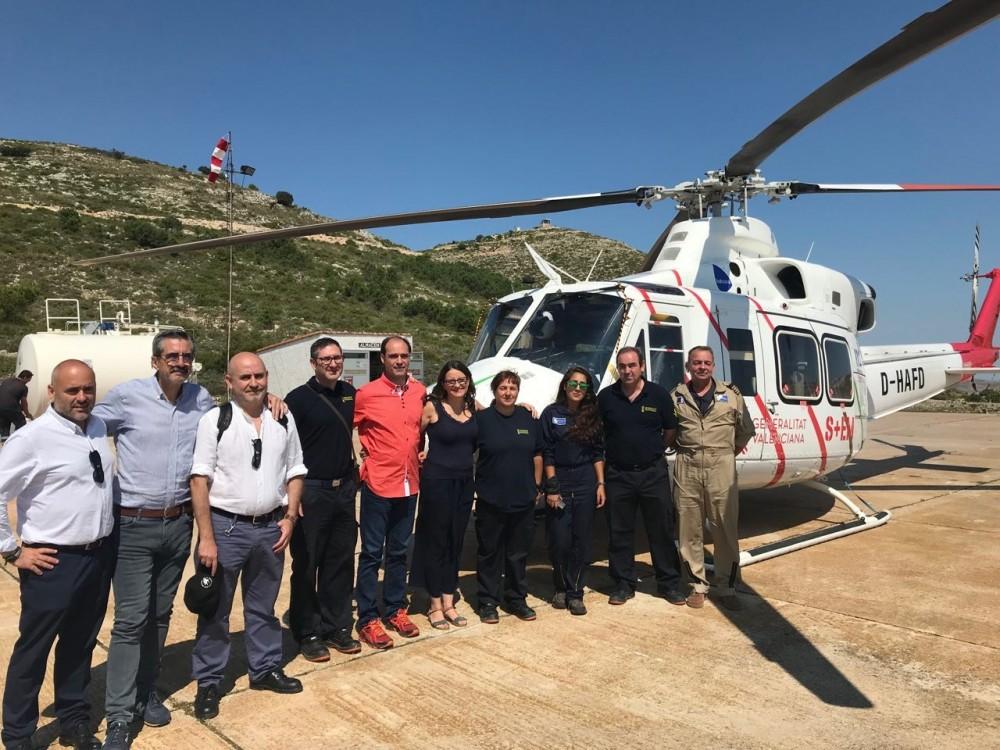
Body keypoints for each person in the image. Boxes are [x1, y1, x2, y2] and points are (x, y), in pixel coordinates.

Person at [94, 330, 213, 748]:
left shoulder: (201, 399)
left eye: (186, 356)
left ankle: (146, 692)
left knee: (160, 615)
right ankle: (119, 715)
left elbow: (230, 424)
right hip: (133, 525)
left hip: (179, 524)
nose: (180, 362)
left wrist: (269, 400)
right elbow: (84, 424)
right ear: (155, 361)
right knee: (130, 621)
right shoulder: (127, 397)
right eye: (172, 356)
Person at [0, 360, 114, 750]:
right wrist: (12, 550)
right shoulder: (32, 438)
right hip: (52, 562)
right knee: (34, 650)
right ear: (52, 392)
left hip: (96, 558)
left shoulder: (97, 427)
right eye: (72, 390)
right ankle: (18, 735)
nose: (82, 397)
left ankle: (74, 722)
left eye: (88, 389)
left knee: (80, 646)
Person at [189, 353, 306, 720]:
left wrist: (290, 517)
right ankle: (209, 681)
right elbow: (199, 480)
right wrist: (206, 538)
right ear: (229, 382)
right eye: (245, 377)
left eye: (258, 376)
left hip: (270, 528)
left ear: (267, 376)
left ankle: (265, 668)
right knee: (215, 610)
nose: (253, 383)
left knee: (263, 607)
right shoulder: (215, 421)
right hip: (226, 529)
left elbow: (296, 470)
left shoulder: (282, 418)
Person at [284, 337, 361, 662]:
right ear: (313, 363)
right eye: (326, 359)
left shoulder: (350, 393)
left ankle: (337, 626)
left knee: (341, 562)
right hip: (311, 491)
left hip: (344, 490)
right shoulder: (297, 399)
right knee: (307, 564)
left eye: (337, 358)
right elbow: (283, 448)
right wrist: (291, 496)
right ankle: (308, 632)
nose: (333, 363)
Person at [598, 347, 686, 606]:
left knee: (661, 530)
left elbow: (670, 430)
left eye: (632, 365)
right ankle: (623, 584)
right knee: (619, 531)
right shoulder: (606, 397)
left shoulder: (658, 395)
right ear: (618, 368)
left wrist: (654, 449)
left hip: (652, 473)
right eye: (623, 366)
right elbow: (597, 431)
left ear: (642, 366)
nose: (627, 371)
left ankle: (669, 584)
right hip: (618, 474)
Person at [669, 346, 755, 611]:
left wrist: (726, 453)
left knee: (724, 528)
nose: (702, 367)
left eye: (706, 363)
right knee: (688, 528)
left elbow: (745, 430)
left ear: (713, 366)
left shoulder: (732, 395)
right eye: (696, 363)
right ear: (688, 366)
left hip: (721, 466)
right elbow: (670, 431)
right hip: (688, 464)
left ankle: (726, 587)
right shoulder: (676, 396)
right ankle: (697, 585)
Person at [353, 335, 425, 649]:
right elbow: (341, 425)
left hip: (409, 484)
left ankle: (395, 609)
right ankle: (367, 618)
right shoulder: (366, 394)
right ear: (382, 358)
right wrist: (357, 463)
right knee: (371, 553)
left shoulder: (419, 391)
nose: (399, 361)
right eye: (393, 356)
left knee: (398, 551)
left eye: (404, 356)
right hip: (378, 485)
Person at [412, 360, 478, 630]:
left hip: (464, 483)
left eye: (461, 380)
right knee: (436, 541)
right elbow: (412, 437)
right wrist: (419, 454)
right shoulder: (433, 407)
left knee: (455, 541)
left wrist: (524, 407)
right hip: (437, 482)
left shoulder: (474, 408)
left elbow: (500, 414)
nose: (457, 385)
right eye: (451, 381)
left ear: (468, 381)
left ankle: (449, 601)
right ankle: (435, 603)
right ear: (443, 384)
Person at [474, 370, 543, 625]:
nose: (508, 392)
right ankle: (488, 601)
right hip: (491, 499)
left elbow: (538, 454)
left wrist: (536, 485)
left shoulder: (528, 417)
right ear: (494, 391)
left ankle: (516, 598)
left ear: (518, 391)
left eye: (512, 388)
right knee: (489, 553)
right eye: (503, 388)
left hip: (523, 498)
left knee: (518, 554)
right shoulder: (482, 420)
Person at [540, 367, 606, 616]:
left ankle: (575, 592)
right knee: (559, 539)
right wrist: (552, 486)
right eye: (573, 383)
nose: (577, 389)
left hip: (585, 481)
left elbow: (597, 453)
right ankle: (560, 587)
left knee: (582, 539)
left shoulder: (593, 416)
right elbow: (547, 452)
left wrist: (601, 483)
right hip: (560, 480)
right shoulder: (551, 413)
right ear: (565, 385)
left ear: (587, 390)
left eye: (583, 385)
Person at [0, 370, 32, 439]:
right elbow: (24, 403)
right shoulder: (24, 387)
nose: (28, 382)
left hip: (0, 408)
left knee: (4, 427)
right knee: (21, 423)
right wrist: (27, 414)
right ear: (25, 377)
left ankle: (4, 441)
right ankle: (15, 439)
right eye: (28, 380)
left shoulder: (6, 381)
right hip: (11, 407)